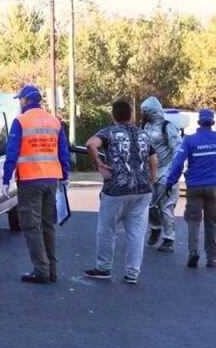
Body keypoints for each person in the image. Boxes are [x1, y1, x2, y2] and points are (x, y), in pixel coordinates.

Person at [84, 100, 158, 284]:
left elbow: (90, 144)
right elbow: (153, 160)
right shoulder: (143, 134)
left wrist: (100, 164)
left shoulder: (108, 133)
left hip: (116, 189)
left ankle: (103, 267)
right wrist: (152, 179)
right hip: (142, 190)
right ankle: (132, 273)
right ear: (131, 115)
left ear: (113, 115)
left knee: (107, 230)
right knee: (136, 233)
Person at [3, 85, 70, 284]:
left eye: (20, 100)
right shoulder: (54, 121)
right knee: (47, 225)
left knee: (31, 225)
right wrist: (64, 175)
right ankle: (52, 270)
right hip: (52, 179)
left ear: (25, 100)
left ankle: (41, 269)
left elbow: (12, 152)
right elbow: (63, 151)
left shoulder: (21, 121)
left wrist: (6, 178)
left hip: (30, 180)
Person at [165, 109, 216, 268]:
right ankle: (212, 258)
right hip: (213, 187)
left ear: (199, 122)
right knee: (212, 222)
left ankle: (193, 252)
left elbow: (178, 163)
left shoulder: (189, 140)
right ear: (212, 122)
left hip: (194, 187)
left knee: (193, 221)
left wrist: (170, 182)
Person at [140, 96, 182, 252]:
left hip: (166, 170)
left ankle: (169, 238)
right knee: (149, 205)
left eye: (146, 111)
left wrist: (174, 173)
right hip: (150, 171)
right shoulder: (144, 126)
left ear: (153, 111)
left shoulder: (168, 127)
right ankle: (155, 227)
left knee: (166, 206)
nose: (143, 114)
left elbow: (177, 149)